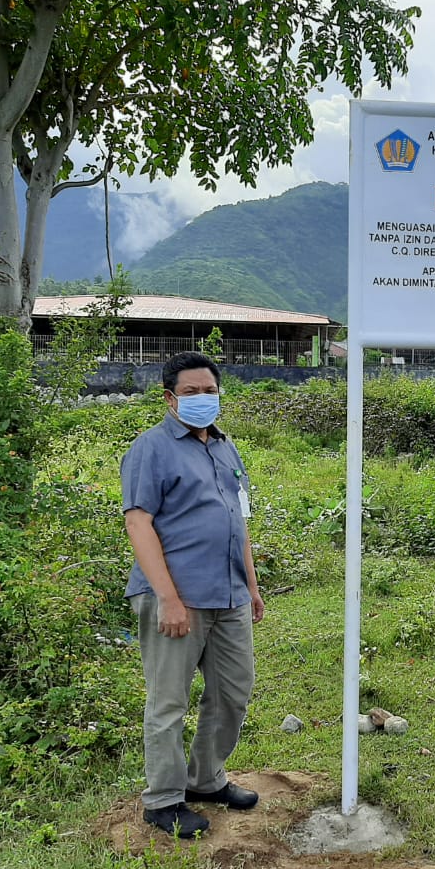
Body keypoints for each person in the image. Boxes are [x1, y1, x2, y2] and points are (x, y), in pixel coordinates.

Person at [122, 351, 266, 838]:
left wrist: (251, 585)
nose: (203, 399)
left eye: (209, 391)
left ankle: (206, 780)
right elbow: (138, 523)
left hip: (229, 595)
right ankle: (163, 800)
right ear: (169, 398)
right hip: (176, 597)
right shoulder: (152, 449)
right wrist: (168, 598)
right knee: (169, 702)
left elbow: (237, 519)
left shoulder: (227, 448)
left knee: (232, 693)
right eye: (191, 392)